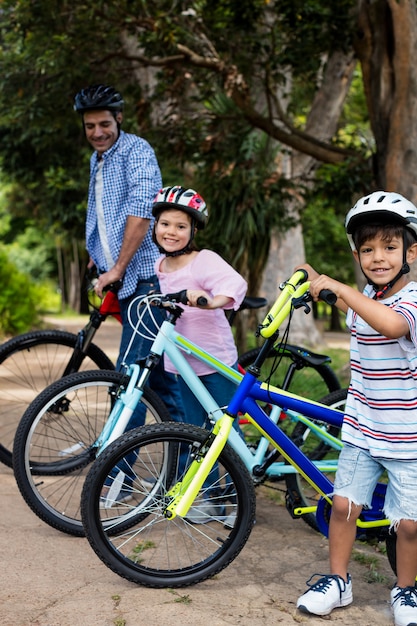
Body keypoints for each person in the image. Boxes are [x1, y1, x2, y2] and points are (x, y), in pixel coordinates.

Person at [296, 191, 417, 626]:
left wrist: (342, 288)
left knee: (409, 524)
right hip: (363, 428)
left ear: (411, 251)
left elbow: (389, 323)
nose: (378, 257)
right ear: (357, 254)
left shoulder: (413, 301)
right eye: (367, 249)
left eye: (389, 247)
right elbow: (352, 306)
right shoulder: (367, 293)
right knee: (344, 506)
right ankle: (338, 581)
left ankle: (406, 589)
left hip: (408, 435)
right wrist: (316, 277)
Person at [73, 85, 185, 504]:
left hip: (144, 280)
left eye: (104, 124)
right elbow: (104, 212)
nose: (98, 132)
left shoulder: (136, 151)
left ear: (119, 119)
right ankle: (186, 473)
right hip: (125, 275)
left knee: (129, 379)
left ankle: (117, 475)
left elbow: (141, 211)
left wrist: (118, 266)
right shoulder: (98, 158)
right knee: (162, 384)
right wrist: (98, 257)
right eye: (90, 126)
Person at [152, 185, 248, 522]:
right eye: (165, 224)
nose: (171, 232)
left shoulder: (203, 260)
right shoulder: (159, 263)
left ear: (193, 230)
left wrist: (210, 300)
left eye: (180, 226)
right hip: (181, 361)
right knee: (194, 430)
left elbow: (234, 284)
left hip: (212, 358)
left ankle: (236, 497)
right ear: (155, 226)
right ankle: (206, 496)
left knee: (224, 430)